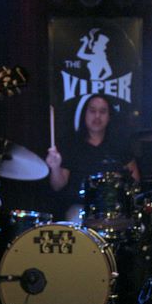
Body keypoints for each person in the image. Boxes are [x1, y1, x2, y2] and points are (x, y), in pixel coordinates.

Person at [46, 94, 140, 222]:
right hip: (80, 208)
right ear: (84, 114)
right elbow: (57, 186)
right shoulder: (71, 144)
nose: (97, 116)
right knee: (74, 215)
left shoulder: (120, 145)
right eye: (92, 111)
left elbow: (135, 181)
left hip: (115, 208)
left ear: (109, 116)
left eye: (102, 112)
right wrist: (55, 167)